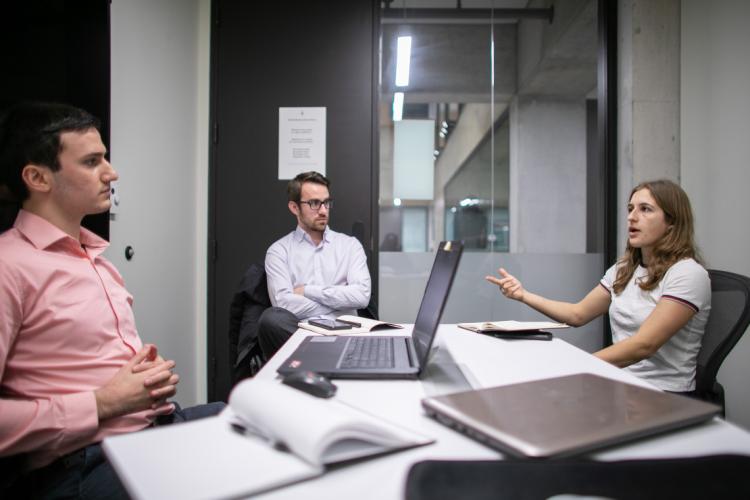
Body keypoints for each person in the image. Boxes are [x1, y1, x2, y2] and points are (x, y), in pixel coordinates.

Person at [0, 102, 224, 499]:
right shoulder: (9, 266)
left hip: (149, 431)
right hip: (81, 464)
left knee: (257, 423)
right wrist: (103, 402)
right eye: (91, 161)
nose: (111, 172)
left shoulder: (94, 258)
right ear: (37, 177)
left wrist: (142, 380)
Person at [486, 179, 710, 394]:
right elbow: (577, 314)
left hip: (664, 394)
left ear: (672, 223)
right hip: (620, 384)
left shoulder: (687, 274)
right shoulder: (624, 269)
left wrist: (579, 365)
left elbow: (645, 345)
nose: (632, 217)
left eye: (646, 209)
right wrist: (523, 295)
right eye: (630, 208)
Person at [259, 171, 371, 359]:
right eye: (314, 203)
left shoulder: (350, 246)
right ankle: (318, 362)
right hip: (299, 336)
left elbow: (361, 296)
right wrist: (339, 303)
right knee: (271, 320)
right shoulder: (278, 251)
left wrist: (307, 290)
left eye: (326, 202)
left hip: (346, 334)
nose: (323, 210)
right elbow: (283, 304)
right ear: (294, 207)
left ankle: (323, 362)